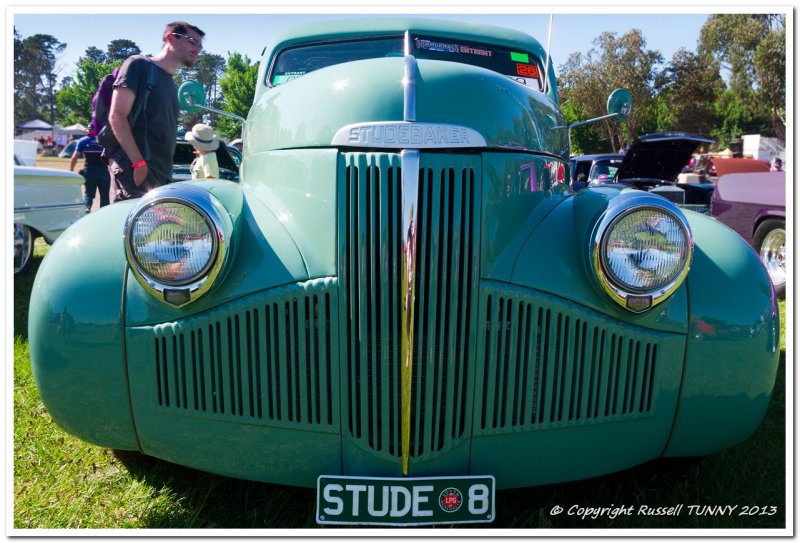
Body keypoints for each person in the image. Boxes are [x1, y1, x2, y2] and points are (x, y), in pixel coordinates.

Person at [106, 21, 205, 201]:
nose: (197, 48)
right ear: (170, 38)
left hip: (160, 177)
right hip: (134, 171)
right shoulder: (139, 65)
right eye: (192, 41)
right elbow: (117, 115)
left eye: (200, 45)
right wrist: (139, 163)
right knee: (126, 227)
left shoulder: (170, 83)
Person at [70, 128, 111, 212]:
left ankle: (86, 209)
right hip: (104, 170)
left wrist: (71, 170)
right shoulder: (104, 140)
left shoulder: (83, 140)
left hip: (89, 169)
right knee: (105, 195)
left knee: (89, 194)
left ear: (88, 130)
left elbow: (75, 157)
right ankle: (105, 213)